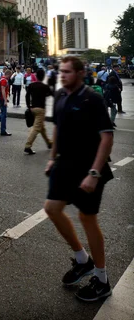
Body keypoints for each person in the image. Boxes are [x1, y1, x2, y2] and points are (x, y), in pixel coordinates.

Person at [44, 56, 114, 303]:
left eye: (67, 72)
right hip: (64, 163)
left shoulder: (92, 99)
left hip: (88, 167)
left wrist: (94, 173)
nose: (62, 75)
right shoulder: (61, 95)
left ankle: (102, 280)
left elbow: (106, 137)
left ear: (81, 73)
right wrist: (53, 158)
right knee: (52, 209)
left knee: (87, 218)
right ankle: (83, 260)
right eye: (60, 71)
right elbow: (57, 128)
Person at [24, 68, 53, 154]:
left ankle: (49, 143)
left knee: (41, 128)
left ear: (36, 76)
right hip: (41, 110)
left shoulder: (32, 85)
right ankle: (28, 146)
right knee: (36, 128)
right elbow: (52, 94)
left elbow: (27, 96)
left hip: (33, 108)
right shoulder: (45, 87)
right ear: (44, 76)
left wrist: (29, 106)